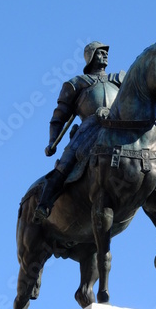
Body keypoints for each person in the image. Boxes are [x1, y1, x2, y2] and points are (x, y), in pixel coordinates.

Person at [33, 41, 125, 221]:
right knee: (66, 163)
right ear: (90, 58)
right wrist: (52, 141)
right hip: (88, 128)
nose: (105, 55)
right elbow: (59, 117)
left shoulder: (120, 79)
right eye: (99, 53)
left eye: (105, 52)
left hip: (118, 126)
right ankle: (44, 204)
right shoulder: (76, 84)